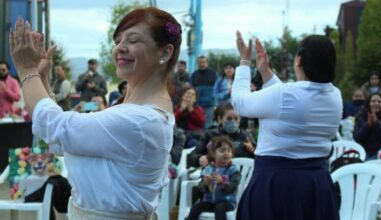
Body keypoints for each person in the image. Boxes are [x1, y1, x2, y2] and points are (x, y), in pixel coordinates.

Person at [10, 7, 182, 219]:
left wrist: (27, 70)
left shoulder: (138, 120)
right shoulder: (138, 114)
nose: (120, 48)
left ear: (165, 52)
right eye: (117, 41)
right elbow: (65, 141)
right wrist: (42, 79)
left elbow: (55, 126)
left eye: (133, 40)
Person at [232, 32, 342, 219]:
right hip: (316, 182)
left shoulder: (287, 95)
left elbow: (240, 102)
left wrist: (244, 63)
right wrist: (266, 73)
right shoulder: (335, 95)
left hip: (277, 183)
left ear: (298, 60)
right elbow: (292, 103)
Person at [185, 136, 241, 220]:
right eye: (222, 151)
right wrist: (206, 184)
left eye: (229, 151)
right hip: (210, 202)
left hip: (227, 203)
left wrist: (222, 182)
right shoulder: (209, 169)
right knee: (196, 207)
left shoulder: (233, 170)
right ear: (214, 153)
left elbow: (232, 187)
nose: (226, 153)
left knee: (219, 208)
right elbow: (201, 188)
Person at [187, 102, 256, 169]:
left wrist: (252, 151)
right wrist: (199, 159)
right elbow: (191, 157)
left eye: (236, 119)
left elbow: (258, 158)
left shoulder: (246, 136)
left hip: (240, 177)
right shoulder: (210, 134)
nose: (233, 122)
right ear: (220, 119)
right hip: (213, 177)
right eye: (229, 119)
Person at [353, 93, 381, 160]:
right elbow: (357, 137)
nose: (376, 103)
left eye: (379, 102)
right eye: (373, 101)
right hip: (363, 152)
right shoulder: (360, 116)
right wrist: (368, 124)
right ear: (368, 103)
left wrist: (376, 123)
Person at [191, 56, 217, 128]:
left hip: (209, 105)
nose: (201, 64)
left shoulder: (213, 74)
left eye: (203, 62)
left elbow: (215, 89)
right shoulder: (194, 75)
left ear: (207, 63)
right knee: (197, 123)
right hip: (197, 105)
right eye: (199, 62)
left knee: (208, 125)